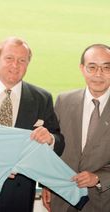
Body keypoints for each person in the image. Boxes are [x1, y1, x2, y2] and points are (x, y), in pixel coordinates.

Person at [0, 36, 65, 212]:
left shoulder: (41, 98)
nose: (15, 65)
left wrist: (50, 139)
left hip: (18, 194)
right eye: (9, 58)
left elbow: (59, 141)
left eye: (22, 60)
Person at [42, 44, 110, 212]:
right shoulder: (64, 101)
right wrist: (47, 184)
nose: (98, 74)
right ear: (82, 68)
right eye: (92, 67)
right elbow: (52, 148)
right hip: (61, 199)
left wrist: (98, 178)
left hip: (103, 202)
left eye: (106, 68)